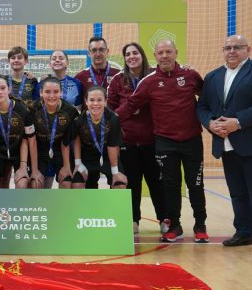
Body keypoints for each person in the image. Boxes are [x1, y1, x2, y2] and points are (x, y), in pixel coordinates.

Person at [116, 40, 208, 243]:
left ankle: (200, 225)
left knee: (195, 185)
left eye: (168, 51)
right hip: (165, 142)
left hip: (192, 141)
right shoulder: (148, 81)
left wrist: (215, 119)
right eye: (160, 53)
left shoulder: (191, 75)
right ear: (155, 56)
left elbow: (207, 97)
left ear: (176, 52)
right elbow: (131, 104)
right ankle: (174, 225)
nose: (165, 56)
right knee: (170, 185)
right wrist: (109, 120)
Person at [197, 35, 252, 253]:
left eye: (237, 47)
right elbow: (202, 106)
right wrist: (210, 123)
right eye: (228, 48)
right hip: (226, 143)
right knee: (237, 192)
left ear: (248, 50)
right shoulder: (213, 76)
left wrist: (238, 122)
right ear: (223, 51)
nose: (232, 51)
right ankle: (243, 233)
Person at [108, 43, 167, 235]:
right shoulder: (118, 80)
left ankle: (164, 219)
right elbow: (111, 111)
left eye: (135, 53)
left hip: (152, 140)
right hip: (128, 141)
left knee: (156, 183)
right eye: (128, 54)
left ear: (142, 55)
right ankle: (133, 220)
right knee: (132, 183)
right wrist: (127, 111)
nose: (131, 57)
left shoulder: (155, 75)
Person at [0, 76, 36, 189]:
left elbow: (30, 139)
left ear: (9, 89)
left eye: (3, 88)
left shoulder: (23, 109)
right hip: (0, 152)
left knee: (22, 184)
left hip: (19, 152)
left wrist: (26, 166)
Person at [72, 86, 127, 189]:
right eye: (92, 100)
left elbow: (113, 146)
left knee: (120, 184)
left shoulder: (113, 118)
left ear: (105, 101)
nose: (95, 103)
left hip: (107, 156)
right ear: (86, 101)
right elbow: (76, 140)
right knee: (77, 184)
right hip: (87, 157)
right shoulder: (79, 120)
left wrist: (115, 171)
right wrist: (78, 163)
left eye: (99, 100)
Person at [32, 77, 79, 189]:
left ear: (61, 92)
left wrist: (67, 166)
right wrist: (34, 170)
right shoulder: (32, 108)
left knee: (66, 182)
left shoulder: (70, 111)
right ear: (41, 93)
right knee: (36, 183)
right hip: (39, 150)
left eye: (56, 92)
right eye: (47, 92)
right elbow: (30, 140)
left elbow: (67, 141)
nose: (52, 96)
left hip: (60, 151)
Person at [74, 37, 120, 105]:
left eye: (101, 50)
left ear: (107, 51)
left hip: (112, 112)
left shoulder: (118, 75)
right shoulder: (80, 77)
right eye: (94, 50)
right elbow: (77, 105)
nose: (98, 54)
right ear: (89, 53)